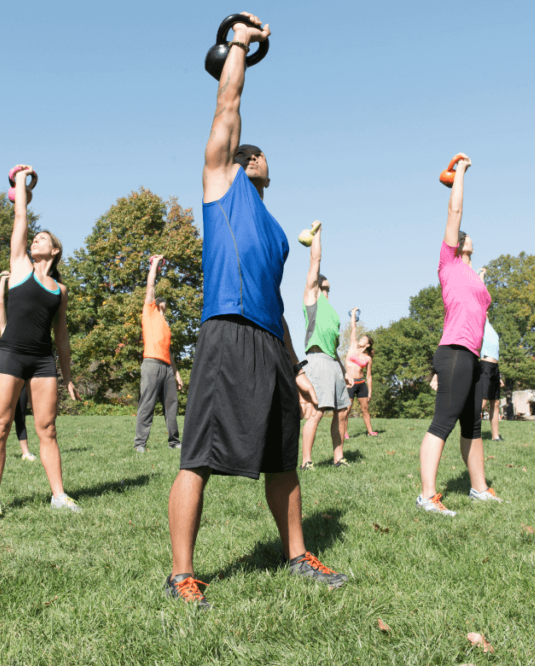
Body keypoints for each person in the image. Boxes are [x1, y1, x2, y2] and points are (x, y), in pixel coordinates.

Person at [165, 13, 348, 609]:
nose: (264, 157)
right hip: (227, 331)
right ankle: (182, 574)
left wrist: (293, 363)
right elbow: (228, 106)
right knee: (200, 457)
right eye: (258, 153)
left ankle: (296, 556)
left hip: (270, 343)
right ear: (244, 161)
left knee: (283, 462)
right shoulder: (220, 183)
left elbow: (276, 301)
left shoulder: (271, 229)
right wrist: (240, 42)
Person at [0, 165, 80, 519]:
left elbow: (62, 336)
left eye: (43, 239)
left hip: (42, 362)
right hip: (10, 356)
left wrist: (67, 376)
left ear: (54, 251)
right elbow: (20, 215)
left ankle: (58, 495)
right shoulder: (19, 265)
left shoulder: (60, 290)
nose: (35, 240)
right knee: (0, 426)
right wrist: (21, 181)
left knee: (48, 429)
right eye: (34, 238)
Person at [415, 155, 502, 517]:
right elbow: (455, 213)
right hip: (452, 351)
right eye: (462, 237)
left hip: (475, 356)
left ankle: (479, 489)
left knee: (474, 424)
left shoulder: (475, 278)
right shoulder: (448, 264)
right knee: (443, 421)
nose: (466, 237)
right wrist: (461, 174)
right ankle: (427, 495)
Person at [299, 226, 351, 469]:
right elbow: (315, 260)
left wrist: (344, 371)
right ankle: (306, 461)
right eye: (323, 286)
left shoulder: (334, 314)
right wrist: (317, 235)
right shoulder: (312, 302)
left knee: (343, 410)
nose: (326, 290)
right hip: (316, 360)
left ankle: (338, 458)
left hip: (332, 362)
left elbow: (335, 347)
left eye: (328, 287)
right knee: (317, 411)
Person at [0, 271, 37, 462]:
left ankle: (25, 452)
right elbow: (0, 306)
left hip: (22, 376)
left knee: (20, 413)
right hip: (4, 374)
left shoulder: (26, 335)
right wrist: (4, 281)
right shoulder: (5, 330)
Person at [134, 255, 184, 453]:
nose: (159, 300)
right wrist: (155, 263)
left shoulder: (166, 325)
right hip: (151, 364)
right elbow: (151, 284)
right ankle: (140, 444)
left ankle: (174, 442)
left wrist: (177, 372)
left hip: (167, 368)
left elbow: (169, 351)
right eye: (157, 300)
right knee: (147, 404)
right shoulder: (149, 313)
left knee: (172, 406)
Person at [343, 308, 377, 439]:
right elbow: (353, 328)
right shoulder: (352, 346)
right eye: (361, 338)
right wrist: (353, 314)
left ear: (367, 345)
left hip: (362, 384)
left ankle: (370, 431)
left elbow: (369, 375)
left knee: (365, 409)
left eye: (363, 339)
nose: (360, 339)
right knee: (347, 409)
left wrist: (370, 392)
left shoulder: (368, 359)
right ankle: (344, 432)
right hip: (350, 383)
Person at [478, 311, 505, 442]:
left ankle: (495, 436)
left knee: (495, 402)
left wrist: (498, 377)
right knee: (483, 401)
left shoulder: (490, 327)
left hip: (494, 368)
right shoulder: (481, 324)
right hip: (486, 366)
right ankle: (470, 431)